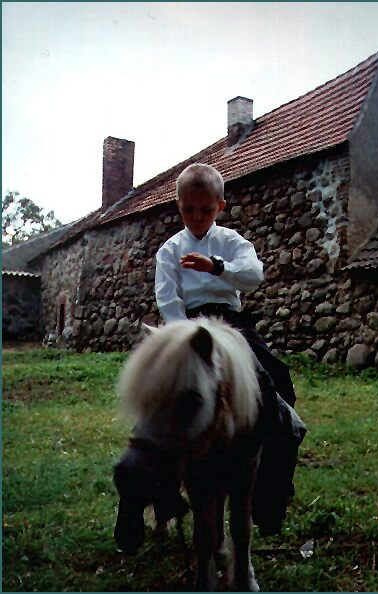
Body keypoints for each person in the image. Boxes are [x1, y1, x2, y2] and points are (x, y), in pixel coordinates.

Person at [113, 163, 306, 553]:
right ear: (179, 206)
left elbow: (253, 275)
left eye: (206, 210)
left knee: (276, 382)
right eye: (189, 210)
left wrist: (218, 267)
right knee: (160, 402)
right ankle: (139, 498)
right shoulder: (170, 249)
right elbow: (168, 299)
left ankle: (271, 492)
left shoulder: (232, 242)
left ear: (220, 206)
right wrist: (183, 340)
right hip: (187, 327)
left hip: (232, 326)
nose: (197, 218)